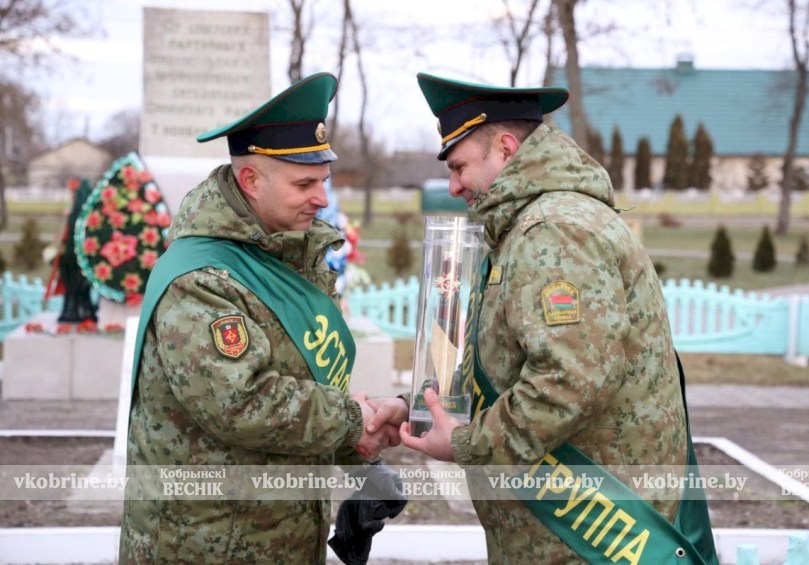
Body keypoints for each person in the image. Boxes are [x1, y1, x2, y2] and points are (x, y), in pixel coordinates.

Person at [378, 73, 719, 564]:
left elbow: (568, 380)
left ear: (507, 149)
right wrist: (417, 405)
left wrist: (469, 442)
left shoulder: (554, 230)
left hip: (589, 532)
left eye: (460, 167)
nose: (453, 186)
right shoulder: (533, 225)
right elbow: (509, 363)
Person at [119, 72, 403, 564]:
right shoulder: (201, 277)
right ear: (250, 180)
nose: (321, 198)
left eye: (323, 182)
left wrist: (358, 458)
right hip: (206, 543)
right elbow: (241, 402)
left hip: (277, 534)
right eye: (304, 184)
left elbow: (304, 378)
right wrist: (353, 422)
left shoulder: (290, 252)